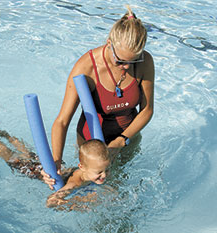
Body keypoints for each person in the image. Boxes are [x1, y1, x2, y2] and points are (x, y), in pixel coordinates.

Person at [42, 5, 154, 187]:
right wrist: (56, 160)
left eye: (133, 61)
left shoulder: (146, 61)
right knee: (88, 189)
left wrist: (121, 141)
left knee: (120, 188)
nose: (126, 67)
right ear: (109, 43)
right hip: (92, 143)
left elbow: (147, 110)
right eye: (121, 61)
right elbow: (62, 121)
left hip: (127, 138)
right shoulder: (86, 67)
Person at [0, 121, 110, 210]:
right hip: (36, 172)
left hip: (50, 167)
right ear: (82, 167)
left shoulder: (90, 170)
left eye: (106, 170)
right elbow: (51, 202)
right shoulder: (75, 183)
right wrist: (78, 204)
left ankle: (3, 134)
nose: (104, 175)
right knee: (12, 159)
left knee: (28, 153)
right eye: (99, 172)